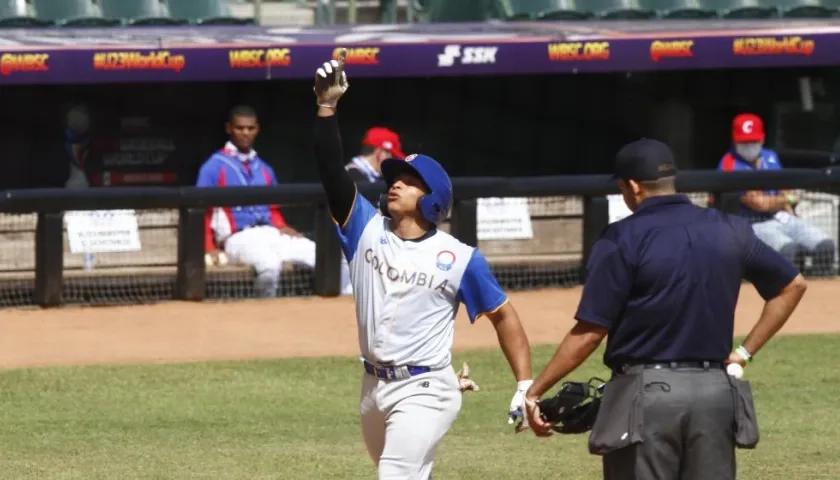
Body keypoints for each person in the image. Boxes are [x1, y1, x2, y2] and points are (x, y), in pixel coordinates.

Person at [522, 138, 807, 480]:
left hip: (646, 399)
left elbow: (590, 334)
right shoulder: (729, 227)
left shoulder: (621, 238)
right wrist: (743, 353)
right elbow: (793, 286)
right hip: (715, 394)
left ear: (633, 186)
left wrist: (535, 392)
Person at [312, 52, 533, 480]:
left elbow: (504, 315)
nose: (396, 183)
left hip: (426, 388)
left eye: (410, 182)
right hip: (372, 387)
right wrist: (326, 106)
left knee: (395, 474)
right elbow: (330, 173)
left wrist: (524, 384)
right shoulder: (364, 228)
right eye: (395, 177)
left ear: (433, 201)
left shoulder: (460, 258)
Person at [196, 104, 352, 297]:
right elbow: (201, 212)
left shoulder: (264, 168)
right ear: (229, 128)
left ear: (257, 129)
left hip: (271, 233)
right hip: (238, 238)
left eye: (250, 128)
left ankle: (346, 307)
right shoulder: (213, 166)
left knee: (330, 258)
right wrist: (208, 247)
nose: (245, 133)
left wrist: (282, 226)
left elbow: (273, 210)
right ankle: (265, 310)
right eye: (240, 128)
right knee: (269, 266)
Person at [718, 112, 835, 274]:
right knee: (789, 251)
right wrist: (786, 199)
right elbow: (759, 204)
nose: (749, 145)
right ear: (734, 139)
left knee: (825, 246)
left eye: (753, 141)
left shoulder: (770, 156)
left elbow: (786, 188)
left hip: (782, 217)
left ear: (762, 139)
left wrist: (786, 202)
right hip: (752, 225)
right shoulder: (729, 164)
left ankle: (818, 286)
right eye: (744, 142)